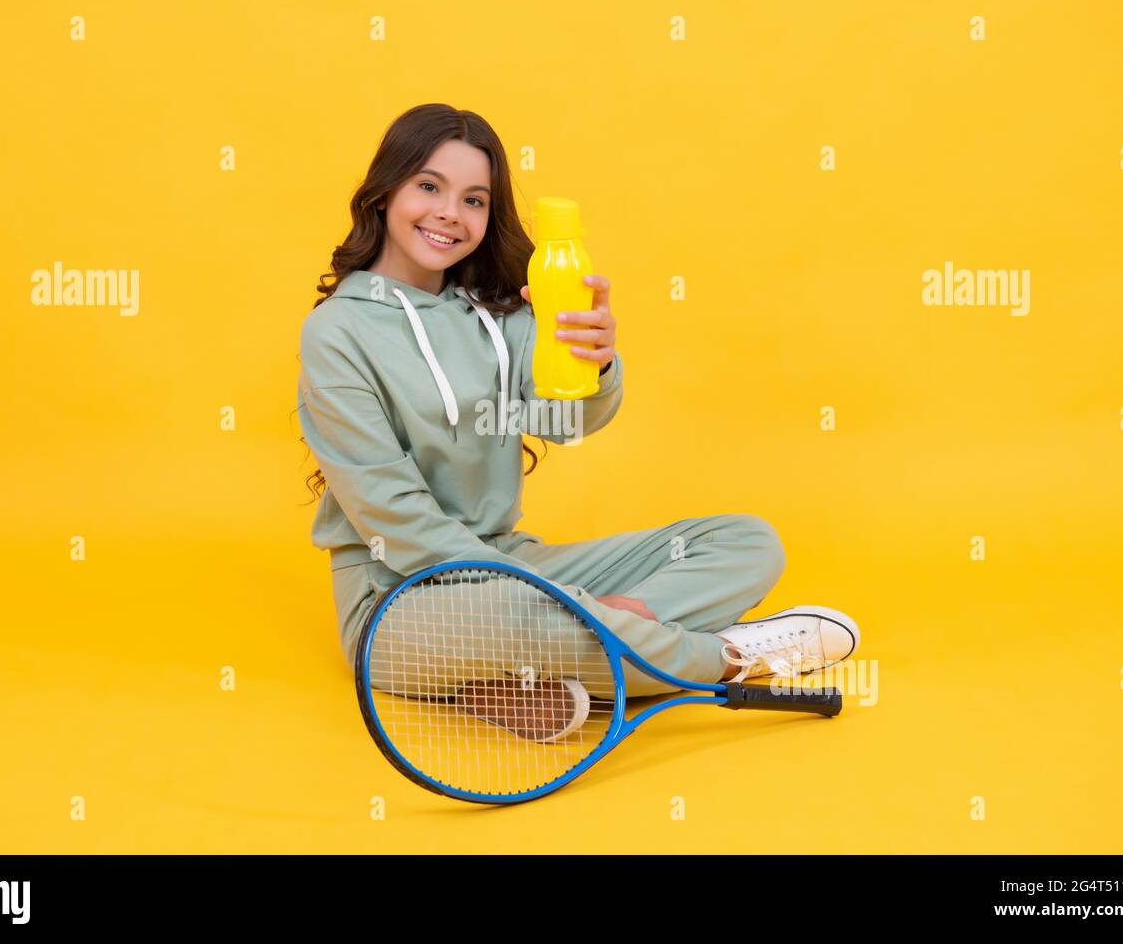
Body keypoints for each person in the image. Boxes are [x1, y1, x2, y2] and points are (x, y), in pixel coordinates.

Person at [295, 103, 860, 739]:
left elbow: (565, 422)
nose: (450, 212)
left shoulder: (498, 314)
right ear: (385, 191)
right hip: (394, 598)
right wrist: (563, 602)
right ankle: (731, 658)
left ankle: (534, 672)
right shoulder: (336, 332)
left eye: (474, 199)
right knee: (537, 621)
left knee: (748, 541)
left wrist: (595, 361)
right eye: (429, 186)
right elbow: (395, 519)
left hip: (509, 563)